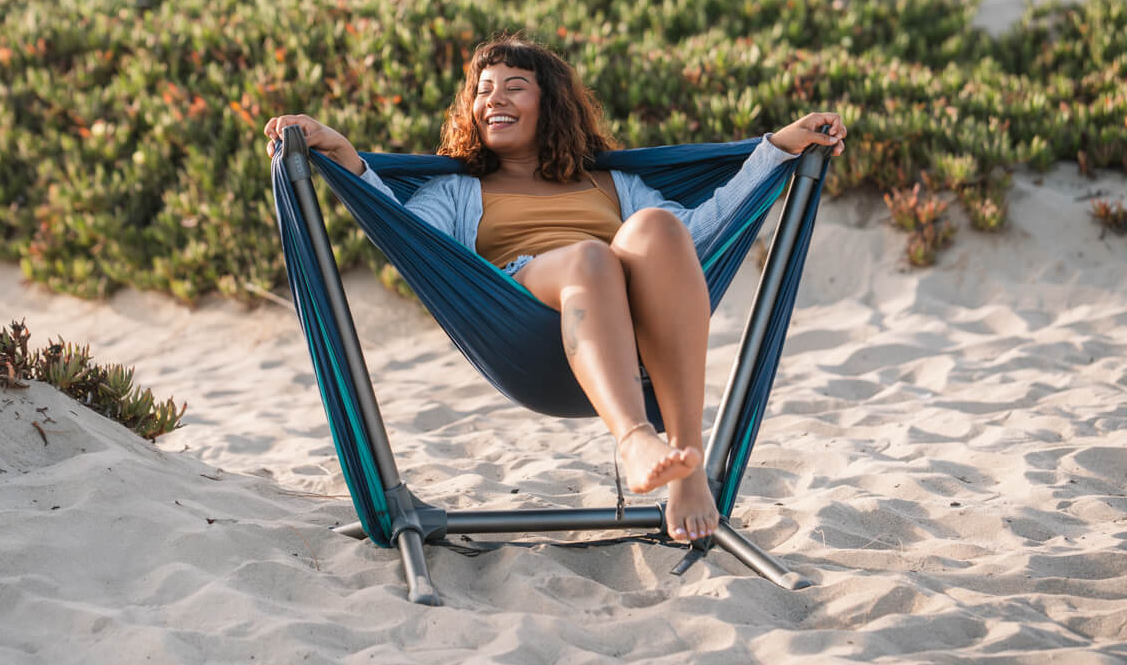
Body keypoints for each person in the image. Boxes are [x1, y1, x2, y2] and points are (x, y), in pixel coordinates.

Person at [263, 34, 847, 543]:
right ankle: (636, 439)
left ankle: (688, 468)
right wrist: (341, 152)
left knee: (659, 226)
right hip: (528, 330)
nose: (494, 99)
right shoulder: (456, 192)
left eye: (514, 86)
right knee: (591, 257)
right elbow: (404, 230)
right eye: (484, 89)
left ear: (551, 105)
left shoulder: (614, 181)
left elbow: (702, 231)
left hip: (643, 338)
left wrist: (778, 149)